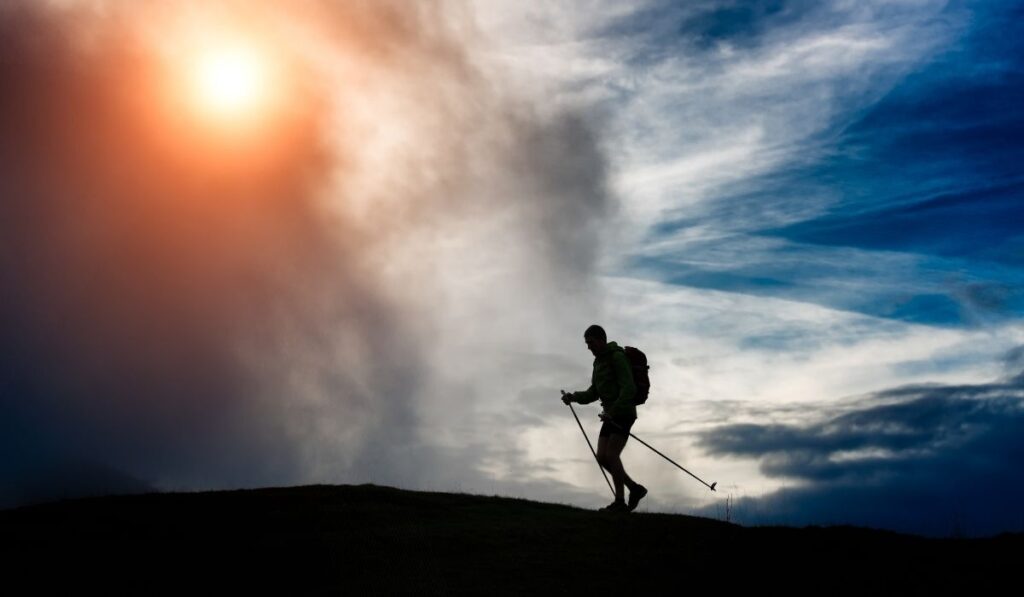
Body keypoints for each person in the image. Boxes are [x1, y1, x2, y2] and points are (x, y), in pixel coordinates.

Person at [562, 324, 647, 512]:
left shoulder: (617, 357)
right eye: (587, 343)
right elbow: (594, 392)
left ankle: (619, 502)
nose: (588, 347)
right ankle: (635, 489)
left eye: (591, 342)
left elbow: (629, 389)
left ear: (601, 340)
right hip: (609, 415)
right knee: (601, 457)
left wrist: (614, 410)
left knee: (611, 455)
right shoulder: (598, 362)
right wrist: (573, 397)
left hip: (623, 413)